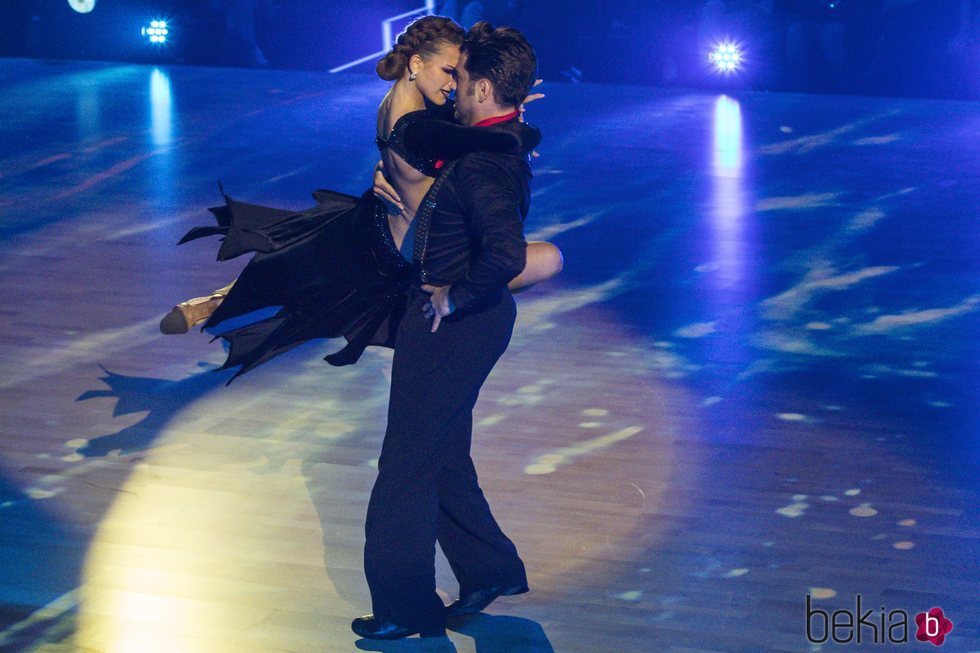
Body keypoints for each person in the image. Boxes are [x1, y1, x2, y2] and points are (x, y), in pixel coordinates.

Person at [161, 16, 560, 336]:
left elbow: (458, 133)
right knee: (544, 259)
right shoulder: (415, 123)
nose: (455, 86)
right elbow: (466, 138)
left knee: (295, 276)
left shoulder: (405, 104)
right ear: (416, 63)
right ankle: (456, 299)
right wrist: (510, 118)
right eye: (449, 72)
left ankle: (210, 304)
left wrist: (502, 101)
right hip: (412, 250)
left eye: (460, 77)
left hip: (381, 226)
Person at [350, 21, 539, 640]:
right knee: (442, 454)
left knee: (404, 464)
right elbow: (422, 134)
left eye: (460, 78)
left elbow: (506, 255)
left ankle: (404, 609)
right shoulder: (497, 140)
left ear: (481, 88)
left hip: (451, 324)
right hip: (469, 323)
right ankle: (489, 569)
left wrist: (453, 297)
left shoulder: (485, 162)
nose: (451, 85)